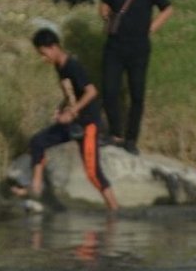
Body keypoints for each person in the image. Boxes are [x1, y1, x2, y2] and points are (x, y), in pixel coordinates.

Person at [13, 28, 119, 211]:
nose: (43, 58)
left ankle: (114, 209)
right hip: (74, 122)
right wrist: (61, 109)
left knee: (93, 172)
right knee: (38, 141)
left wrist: (71, 112)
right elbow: (72, 94)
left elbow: (91, 92)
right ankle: (36, 187)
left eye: (43, 53)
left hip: (88, 124)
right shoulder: (59, 66)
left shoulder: (72, 66)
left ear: (54, 47)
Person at [99, 0, 173, 155]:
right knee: (109, 90)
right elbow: (104, 4)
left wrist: (152, 27)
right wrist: (106, 16)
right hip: (114, 47)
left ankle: (131, 138)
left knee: (137, 95)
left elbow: (167, 8)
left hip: (138, 50)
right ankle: (115, 133)